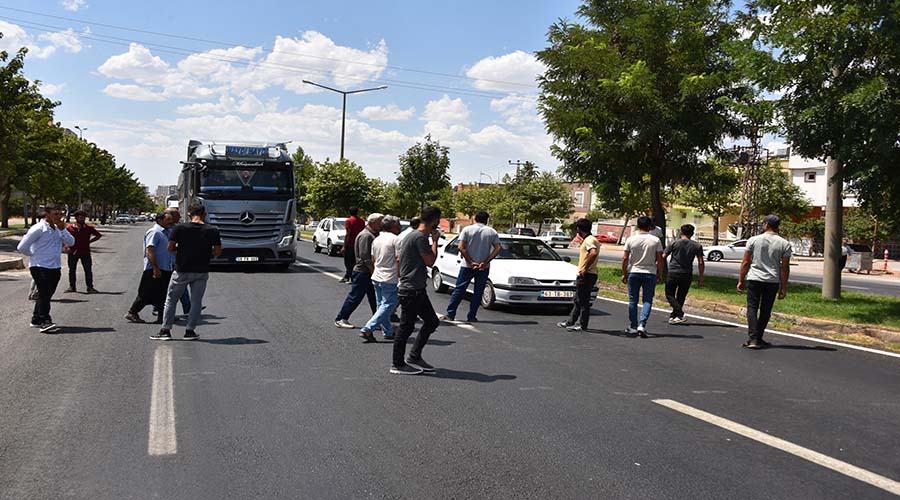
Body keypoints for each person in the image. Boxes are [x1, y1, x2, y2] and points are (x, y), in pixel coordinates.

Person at [151, 203, 222, 341]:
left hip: (182, 270)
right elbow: (218, 251)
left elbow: (170, 248)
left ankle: (165, 330)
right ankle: (190, 331)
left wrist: (183, 248)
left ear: (189, 214)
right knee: (196, 302)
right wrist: (204, 251)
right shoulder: (213, 230)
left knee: (171, 300)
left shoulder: (180, 228)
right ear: (204, 214)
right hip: (201, 270)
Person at [392, 206, 443, 375]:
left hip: (417, 289)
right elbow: (430, 261)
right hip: (411, 289)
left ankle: (414, 356)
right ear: (435, 220)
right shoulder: (420, 237)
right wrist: (435, 241)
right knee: (406, 327)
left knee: (432, 321)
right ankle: (397, 364)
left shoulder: (413, 235)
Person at [17, 204, 75, 333]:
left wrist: (63, 230)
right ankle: (45, 320)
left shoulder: (59, 229)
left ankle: (36, 319)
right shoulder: (38, 228)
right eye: (55, 214)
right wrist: (34, 255)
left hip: (55, 266)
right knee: (44, 293)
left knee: (47, 293)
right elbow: (22, 247)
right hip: (39, 266)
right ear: (47, 214)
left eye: (60, 214)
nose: (58, 217)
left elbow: (71, 243)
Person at [737, 215, 791, 349]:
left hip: (754, 278)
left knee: (752, 308)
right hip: (772, 281)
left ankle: (753, 338)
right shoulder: (784, 243)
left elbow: (745, 262)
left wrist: (741, 280)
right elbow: (784, 267)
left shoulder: (753, 240)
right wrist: (784, 287)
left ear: (766, 224)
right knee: (766, 310)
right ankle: (758, 337)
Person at [440, 211, 501, 323]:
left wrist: (471, 261)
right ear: (486, 220)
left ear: (475, 218)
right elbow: (497, 248)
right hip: (483, 267)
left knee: (459, 290)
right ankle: (472, 316)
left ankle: (450, 314)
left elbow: (461, 247)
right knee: (478, 292)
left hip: (467, 266)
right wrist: (485, 261)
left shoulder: (467, 230)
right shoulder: (492, 232)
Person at [334, 213, 383, 329]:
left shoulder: (373, 234)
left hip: (368, 272)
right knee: (355, 296)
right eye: (380, 222)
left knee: (375, 298)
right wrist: (374, 271)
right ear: (373, 222)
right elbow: (365, 257)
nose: (382, 224)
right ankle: (341, 318)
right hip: (363, 272)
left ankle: (377, 322)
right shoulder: (366, 236)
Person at [125, 212, 174, 324]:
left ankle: (162, 317)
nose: (171, 222)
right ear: (159, 220)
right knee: (145, 294)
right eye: (168, 220)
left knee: (163, 294)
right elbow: (149, 251)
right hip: (154, 269)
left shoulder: (167, 232)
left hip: (166, 268)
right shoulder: (154, 232)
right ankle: (132, 312)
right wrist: (155, 268)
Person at [361, 215, 401, 342]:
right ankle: (368, 328)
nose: (400, 227)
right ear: (393, 226)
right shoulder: (396, 239)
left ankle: (387, 331)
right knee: (389, 304)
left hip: (377, 275)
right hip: (390, 277)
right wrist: (400, 275)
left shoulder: (377, 239)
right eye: (398, 224)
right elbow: (398, 259)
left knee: (381, 306)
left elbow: (373, 259)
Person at [622, 215, 664, 337]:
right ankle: (642, 324)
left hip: (634, 271)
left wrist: (624, 273)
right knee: (647, 300)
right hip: (650, 272)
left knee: (632, 300)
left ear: (637, 226)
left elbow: (625, 258)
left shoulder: (631, 239)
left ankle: (633, 326)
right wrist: (660, 273)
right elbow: (660, 259)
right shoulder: (655, 240)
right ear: (650, 226)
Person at [557, 218, 599, 332]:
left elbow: (593, 252)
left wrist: (585, 267)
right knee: (578, 299)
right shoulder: (589, 239)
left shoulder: (589, 240)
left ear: (579, 229)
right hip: (587, 274)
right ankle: (571, 321)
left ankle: (582, 324)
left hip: (587, 274)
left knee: (583, 301)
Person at [663, 224, 705, 324]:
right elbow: (700, 262)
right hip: (687, 273)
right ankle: (674, 316)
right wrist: (701, 276)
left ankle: (679, 314)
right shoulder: (697, 246)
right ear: (692, 233)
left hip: (673, 271)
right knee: (681, 296)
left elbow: (664, 255)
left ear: (681, 232)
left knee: (669, 294)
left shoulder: (674, 243)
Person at [64, 210, 102, 293]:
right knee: (72, 270)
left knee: (88, 270)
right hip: (73, 252)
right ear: (76, 218)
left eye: (83, 217)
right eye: (80, 217)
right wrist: (66, 247)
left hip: (85, 252)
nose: (82, 219)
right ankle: (72, 287)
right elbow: (63, 238)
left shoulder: (88, 228)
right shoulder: (69, 228)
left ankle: (90, 287)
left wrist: (89, 242)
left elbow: (98, 235)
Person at [340, 207, 366, 283]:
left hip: (351, 243)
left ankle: (352, 276)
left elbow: (348, 234)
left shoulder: (349, 221)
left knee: (348, 261)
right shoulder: (362, 221)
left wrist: (344, 246)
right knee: (355, 261)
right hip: (359, 243)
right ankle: (347, 276)